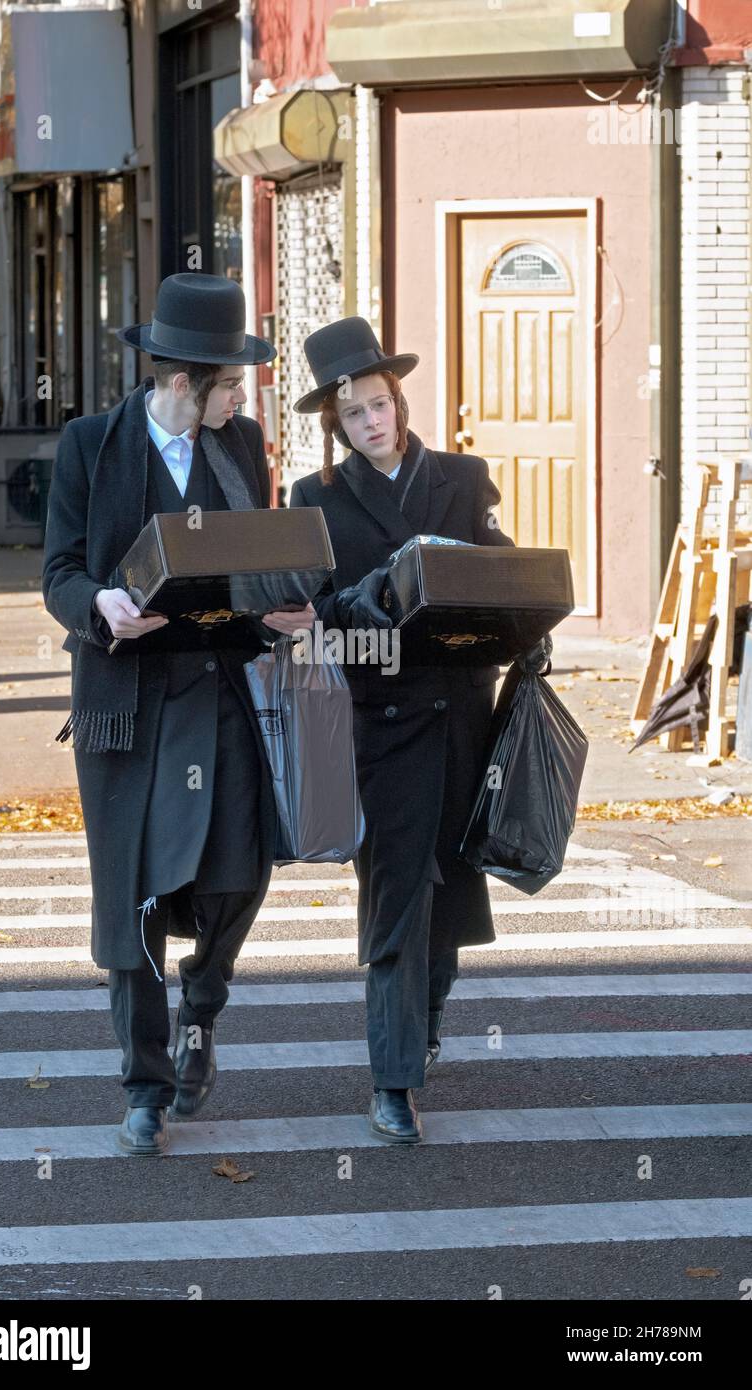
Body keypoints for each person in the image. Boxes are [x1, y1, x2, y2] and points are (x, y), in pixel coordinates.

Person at [43, 273, 314, 1156]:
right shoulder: (89, 445)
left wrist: (286, 607)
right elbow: (59, 573)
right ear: (181, 380)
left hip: (222, 686)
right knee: (134, 899)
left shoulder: (240, 447)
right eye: (229, 382)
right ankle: (144, 1085)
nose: (242, 397)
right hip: (126, 704)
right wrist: (98, 607)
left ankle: (203, 1004)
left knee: (238, 877)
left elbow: (263, 561)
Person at [289, 317, 549, 1144]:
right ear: (335, 425)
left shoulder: (461, 478)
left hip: (463, 716)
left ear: (397, 400)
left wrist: (529, 613)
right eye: (354, 415)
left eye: (379, 405)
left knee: (453, 893)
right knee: (397, 895)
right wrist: (358, 601)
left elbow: (501, 565)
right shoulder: (315, 499)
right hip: (381, 725)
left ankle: (426, 1025)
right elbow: (311, 614)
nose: (372, 424)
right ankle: (393, 1079)